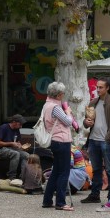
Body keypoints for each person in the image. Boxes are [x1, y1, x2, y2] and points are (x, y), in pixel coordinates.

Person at [40, 81, 79, 211]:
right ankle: (61, 202)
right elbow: (68, 122)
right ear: (58, 95)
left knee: (56, 171)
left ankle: (47, 200)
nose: (63, 95)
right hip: (62, 140)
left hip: (55, 141)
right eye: (62, 94)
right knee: (64, 172)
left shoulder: (46, 105)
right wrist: (68, 111)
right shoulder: (55, 107)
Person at [82, 77, 110, 204]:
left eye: (101, 87)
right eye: (97, 87)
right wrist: (86, 122)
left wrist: (108, 139)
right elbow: (87, 121)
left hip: (105, 141)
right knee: (96, 169)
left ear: (107, 88)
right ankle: (95, 194)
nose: (98, 89)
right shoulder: (93, 102)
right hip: (93, 139)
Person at [0, 114, 29, 181]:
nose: (21, 126)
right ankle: (11, 177)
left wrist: (21, 146)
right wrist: (11, 143)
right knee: (16, 154)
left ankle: (23, 177)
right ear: (14, 122)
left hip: (13, 149)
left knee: (26, 155)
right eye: (20, 124)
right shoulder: (3, 127)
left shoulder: (17, 130)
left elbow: (18, 142)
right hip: (1, 149)